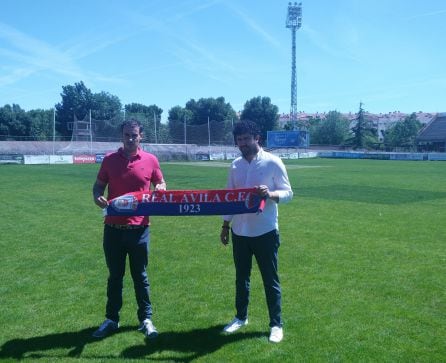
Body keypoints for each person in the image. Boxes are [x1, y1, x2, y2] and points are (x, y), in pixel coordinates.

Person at [92, 119, 166, 339]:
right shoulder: (109, 160)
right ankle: (111, 320)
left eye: (134, 135)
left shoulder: (151, 160)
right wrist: (97, 196)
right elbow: (98, 186)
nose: (130, 139)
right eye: (127, 135)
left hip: (139, 229)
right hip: (113, 229)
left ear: (140, 136)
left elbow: (160, 183)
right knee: (115, 276)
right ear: (121, 136)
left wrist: (161, 187)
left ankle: (146, 319)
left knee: (140, 276)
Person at [220, 120, 293, 343]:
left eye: (246, 139)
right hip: (240, 233)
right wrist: (225, 225)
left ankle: (276, 324)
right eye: (239, 140)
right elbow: (229, 198)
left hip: (265, 232)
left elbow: (289, 193)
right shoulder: (235, 165)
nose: (242, 143)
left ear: (256, 138)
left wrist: (270, 194)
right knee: (241, 279)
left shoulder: (273, 162)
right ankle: (241, 318)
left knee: (270, 279)